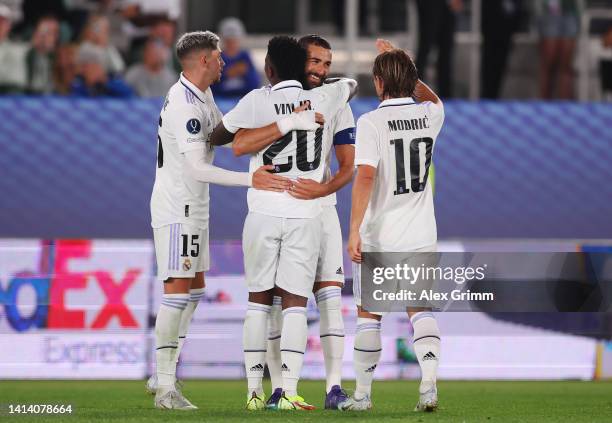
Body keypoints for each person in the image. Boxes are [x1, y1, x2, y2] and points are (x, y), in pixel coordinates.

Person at [148, 30, 294, 410]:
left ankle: (162, 370)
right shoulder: (183, 104)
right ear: (203, 62)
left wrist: (266, 118)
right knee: (177, 289)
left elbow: (220, 136)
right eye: (218, 57)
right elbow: (197, 168)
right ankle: (165, 385)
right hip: (178, 206)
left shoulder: (202, 94)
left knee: (194, 288)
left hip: (194, 207)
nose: (224, 63)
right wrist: (252, 177)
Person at [209, 35, 357, 411]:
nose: (322, 71)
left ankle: (255, 393)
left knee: (259, 301)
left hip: (265, 209)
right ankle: (288, 389)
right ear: (300, 64)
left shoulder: (258, 100)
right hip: (304, 212)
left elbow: (227, 141)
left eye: (326, 64)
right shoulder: (330, 97)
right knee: (295, 302)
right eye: (315, 63)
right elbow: (351, 85)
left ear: (269, 68)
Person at [339, 39, 444, 412]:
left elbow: (365, 177)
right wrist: (404, 62)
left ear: (379, 83)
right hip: (420, 233)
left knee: (370, 315)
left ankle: (364, 396)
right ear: (412, 79)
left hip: (380, 235)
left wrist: (353, 230)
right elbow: (431, 99)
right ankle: (429, 387)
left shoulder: (371, 122)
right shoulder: (431, 115)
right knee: (422, 310)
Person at [415, 0, 462, 98]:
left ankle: (445, 95)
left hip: (446, 5)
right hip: (430, 4)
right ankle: (415, 92)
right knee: (425, 46)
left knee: (446, 48)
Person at [535, 0, 580, 99]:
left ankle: (565, 108)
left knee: (566, 65)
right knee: (548, 62)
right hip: (548, 11)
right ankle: (543, 107)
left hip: (570, 11)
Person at [481, 0, 524, 99]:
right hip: (490, 24)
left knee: (501, 63)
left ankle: (495, 95)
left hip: (507, 25)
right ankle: (487, 95)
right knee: (488, 62)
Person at [211, 17, 260, 98]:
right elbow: (210, 87)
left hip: (243, 99)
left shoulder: (245, 56)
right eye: (228, 41)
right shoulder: (216, 58)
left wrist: (246, 73)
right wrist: (226, 74)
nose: (232, 45)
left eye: (234, 41)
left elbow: (255, 84)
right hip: (221, 100)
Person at [26, 15, 60, 94]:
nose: (45, 36)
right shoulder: (24, 54)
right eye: (43, 31)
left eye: (50, 32)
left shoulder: (61, 58)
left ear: (57, 36)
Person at [0, 4, 28, 93]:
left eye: (3, 22)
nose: (0, 25)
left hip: (11, 93)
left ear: (9, 26)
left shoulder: (19, 47)